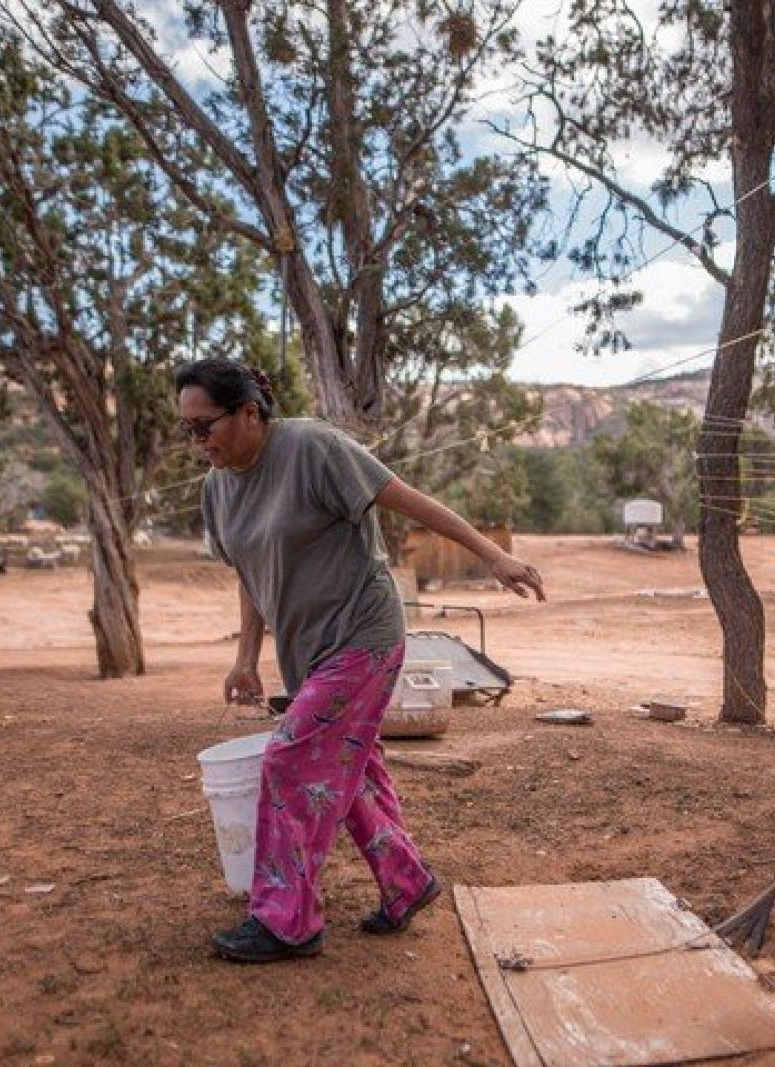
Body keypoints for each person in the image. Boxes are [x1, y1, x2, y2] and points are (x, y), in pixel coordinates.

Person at [175, 358, 545, 964]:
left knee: (290, 762)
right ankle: (406, 882)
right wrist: (246, 658)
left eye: (203, 425)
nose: (196, 440)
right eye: (187, 428)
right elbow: (252, 573)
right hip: (308, 653)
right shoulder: (217, 488)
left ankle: (286, 921)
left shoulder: (312, 448)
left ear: (248, 412)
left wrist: (492, 556)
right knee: (351, 776)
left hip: (363, 636)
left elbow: (410, 501)